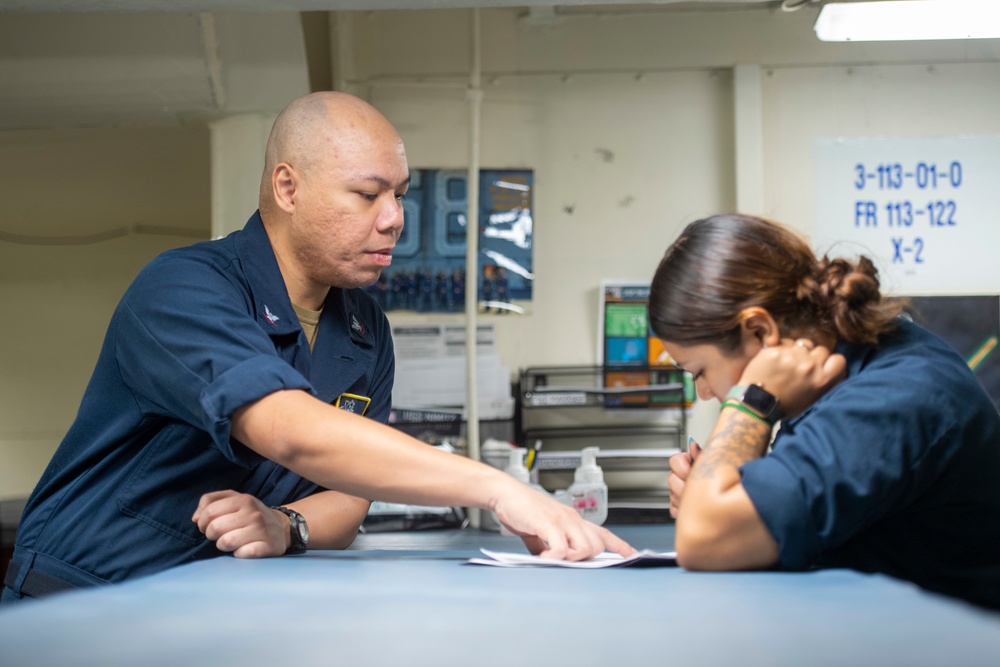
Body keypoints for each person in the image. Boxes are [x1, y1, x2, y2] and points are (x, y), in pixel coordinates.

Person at [2, 92, 632, 604]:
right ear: (287, 187)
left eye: (400, 194)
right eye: (367, 194)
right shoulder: (184, 287)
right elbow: (291, 430)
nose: (393, 219)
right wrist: (498, 488)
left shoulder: (364, 327)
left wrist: (287, 524)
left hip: (204, 604)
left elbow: (349, 492)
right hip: (84, 595)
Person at [651, 213, 1000, 610]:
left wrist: (752, 401)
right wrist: (712, 492)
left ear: (760, 332)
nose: (707, 391)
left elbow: (706, 538)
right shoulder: (838, 375)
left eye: (701, 371)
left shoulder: (890, 398)